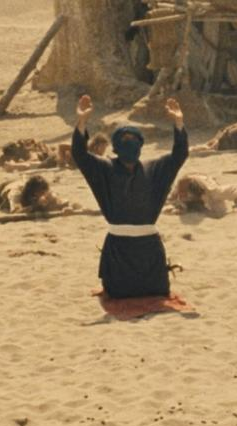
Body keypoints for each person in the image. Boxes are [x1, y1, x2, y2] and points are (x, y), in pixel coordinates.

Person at [72, 94, 188, 299]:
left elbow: (179, 155)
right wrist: (81, 122)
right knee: (118, 293)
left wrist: (178, 123)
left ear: (140, 145)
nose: (130, 143)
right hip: (118, 250)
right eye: (125, 140)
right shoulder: (105, 168)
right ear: (116, 147)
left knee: (156, 291)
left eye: (134, 140)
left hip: (149, 250)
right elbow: (80, 155)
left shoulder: (153, 168)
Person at [0, 175, 73, 214]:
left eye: (44, 192)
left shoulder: (46, 192)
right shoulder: (16, 193)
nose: (43, 194)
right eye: (40, 192)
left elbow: (63, 202)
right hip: (4, 190)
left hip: (21, 184)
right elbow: (15, 211)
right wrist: (35, 206)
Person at [168, 173, 237, 218]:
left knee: (219, 211)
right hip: (194, 190)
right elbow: (170, 201)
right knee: (217, 213)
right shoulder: (179, 192)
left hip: (204, 184)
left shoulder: (212, 191)